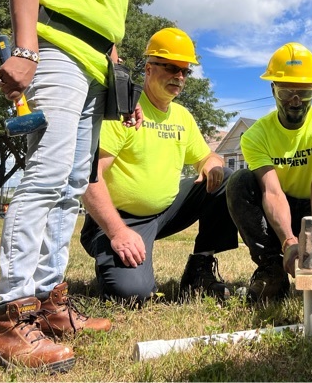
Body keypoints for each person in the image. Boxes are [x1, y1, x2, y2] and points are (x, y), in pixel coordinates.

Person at [0, 0, 153, 372]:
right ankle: (9, 317)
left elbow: (105, 23)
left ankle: (52, 305)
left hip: (94, 69)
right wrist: (26, 48)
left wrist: (121, 83)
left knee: (73, 184)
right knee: (48, 175)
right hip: (55, 53)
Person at [80, 28, 239, 303]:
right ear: (149, 69)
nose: (179, 77)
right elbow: (88, 175)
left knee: (225, 177)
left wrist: (211, 163)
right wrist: (117, 232)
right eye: (171, 68)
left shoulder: (182, 116)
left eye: (185, 72)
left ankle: (200, 267)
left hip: (164, 212)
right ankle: (110, 248)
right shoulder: (126, 109)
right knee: (133, 295)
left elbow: (207, 157)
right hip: (120, 218)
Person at [226, 43, 312, 302]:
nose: (296, 101)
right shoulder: (255, 136)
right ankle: (271, 269)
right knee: (239, 183)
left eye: (304, 92)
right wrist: (289, 241)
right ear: (273, 89)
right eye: (287, 91)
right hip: (278, 208)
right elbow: (272, 191)